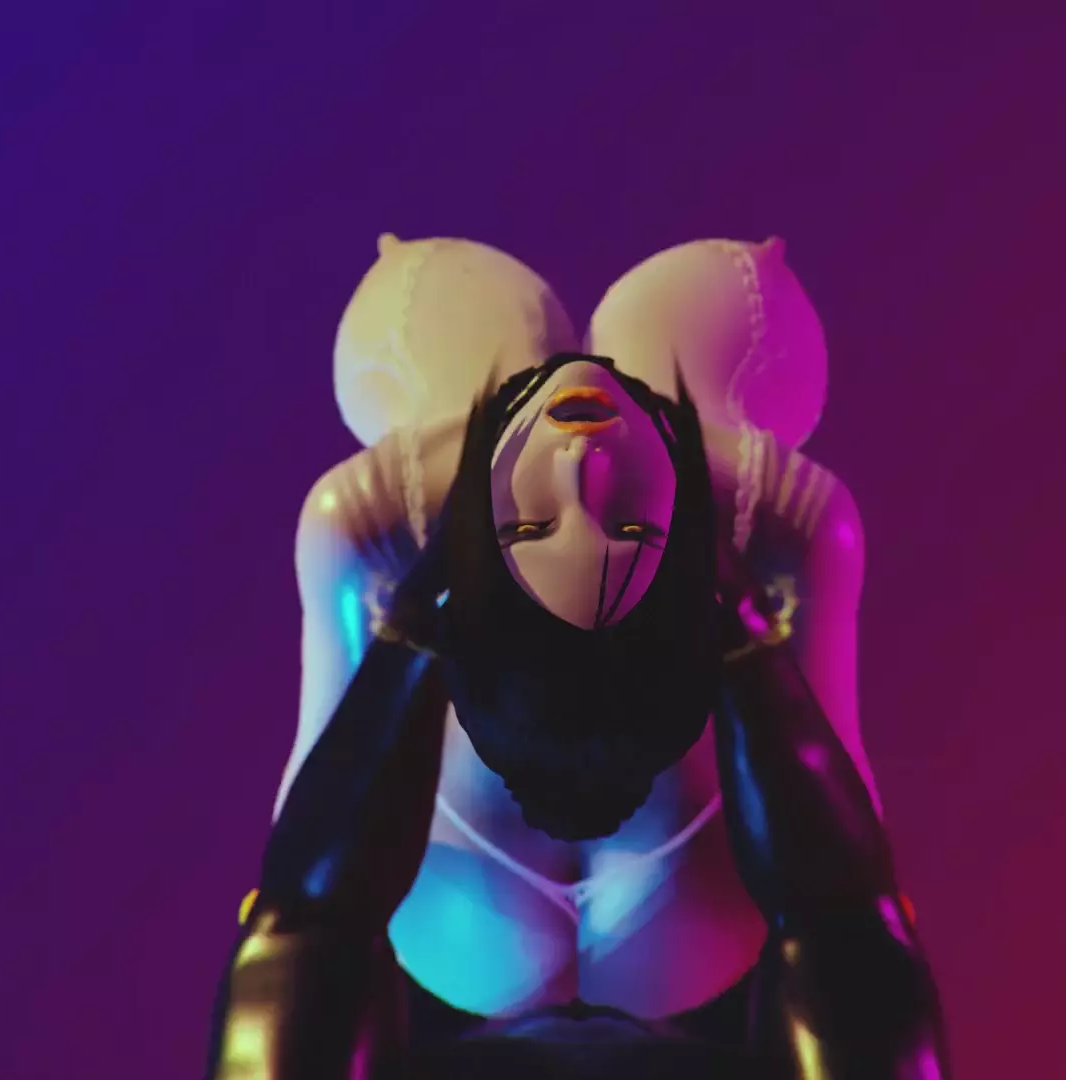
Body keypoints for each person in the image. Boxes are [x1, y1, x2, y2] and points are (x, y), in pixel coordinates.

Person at [207, 239, 947, 1077]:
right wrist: (752, 561)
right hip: (675, 910)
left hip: (474, 915)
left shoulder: (380, 530)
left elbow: (302, 918)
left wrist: (413, 553)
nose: (579, 466)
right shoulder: (763, 539)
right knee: (718, 303)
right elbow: (848, 923)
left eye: (532, 527)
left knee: (439, 301)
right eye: (627, 524)